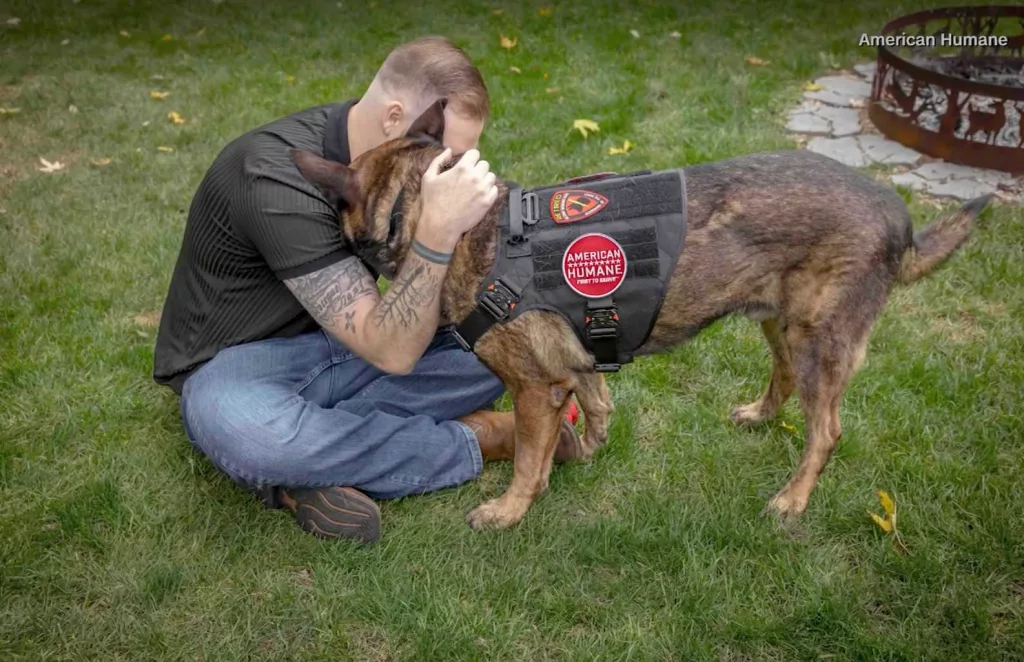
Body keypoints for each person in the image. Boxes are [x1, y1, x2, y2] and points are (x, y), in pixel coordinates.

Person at [153, 36, 582, 544]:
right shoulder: (274, 181)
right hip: (240, 369)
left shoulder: (389, 165)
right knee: (248, 432)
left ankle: (317, 463)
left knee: (499, 335)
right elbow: (394, 351)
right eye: (445, 157)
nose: (449, 173)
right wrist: (439, 230)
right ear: (397, 118)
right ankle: (481, 437)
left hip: (352, 345)